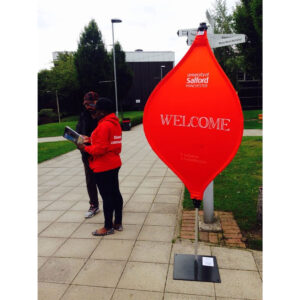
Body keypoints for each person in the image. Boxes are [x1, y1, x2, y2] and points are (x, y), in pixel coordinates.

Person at [77, 97, 124, 236]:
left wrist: (84, 148)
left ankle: (107, 227)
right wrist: (89, 139)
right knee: (115, 192)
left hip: (103, 165)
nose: (94, 113)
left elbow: (99, 149)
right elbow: (106, 142)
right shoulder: (113, 123)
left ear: (102, 111)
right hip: (114, 162)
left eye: (97, 110)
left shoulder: (104, 125)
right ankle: (118, 223)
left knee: (107, 196)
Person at [76, 91, 100, 218]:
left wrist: (91, 139)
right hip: (86, 154)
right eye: (86, 104)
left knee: (105, 181)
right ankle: (94, 205)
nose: (88, 106)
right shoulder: (83, 115)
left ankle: (112, 202)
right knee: (90, 181)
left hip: (101, 155)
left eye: (91, 103)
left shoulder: (103, 115)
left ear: (97, 102)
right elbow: (78, 130)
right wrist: (78, 139)